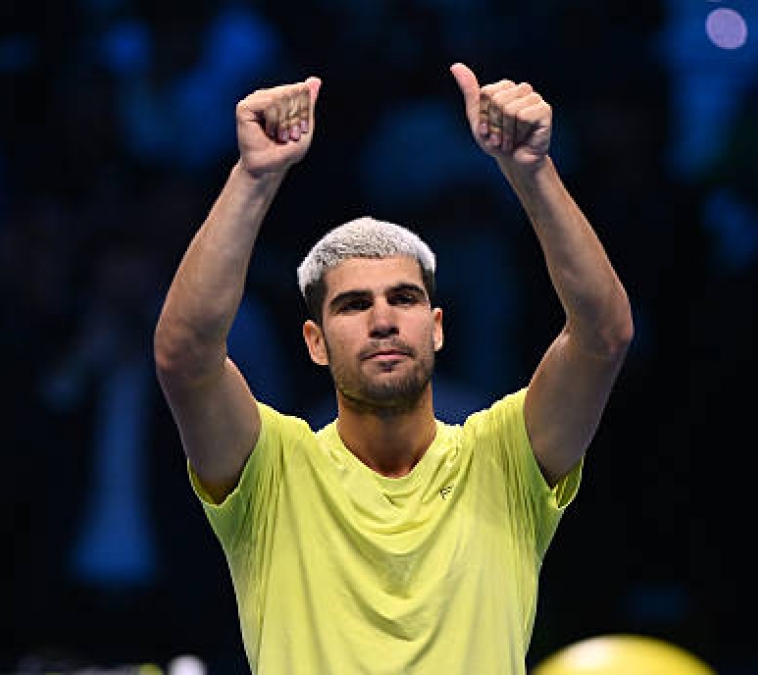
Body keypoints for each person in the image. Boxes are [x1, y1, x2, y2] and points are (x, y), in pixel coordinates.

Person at [154, 63, 634, 674]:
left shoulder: (504, 457)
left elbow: (604, 335)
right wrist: (254, 176)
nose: (382, 320)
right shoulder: (273, 469)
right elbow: (185, 355)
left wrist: (531, 172)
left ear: (435, 328)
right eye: (353, 305)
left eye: (403, 299)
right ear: (315, 342)